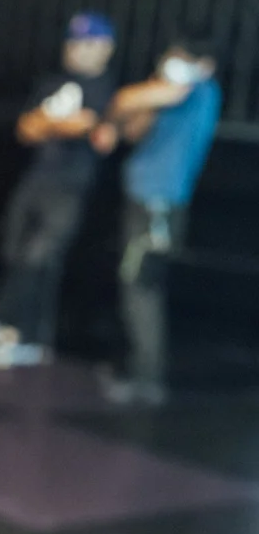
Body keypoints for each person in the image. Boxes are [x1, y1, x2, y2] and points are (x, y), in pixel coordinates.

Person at [0, 12, 118, 369]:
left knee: (40, 257)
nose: (76, 49)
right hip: (35, 179)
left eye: (86, 43)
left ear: (104, 47)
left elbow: (86, 123)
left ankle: (12, 327)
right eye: (73, 41)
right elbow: (26, 127)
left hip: (70, 186)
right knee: (14, 252)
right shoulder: (52, 83)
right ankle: (14, 330)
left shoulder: (106, 88)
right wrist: (58, 125)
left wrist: (53, 124)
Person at [90, 37, 222, 406]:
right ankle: (133, 364)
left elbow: (125, 100)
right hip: (141, 197)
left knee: (142, 287)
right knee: (132, 283)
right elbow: (133, 128)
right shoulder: (166, 94)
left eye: (181, 59)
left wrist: (137, 98)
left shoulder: (199, 91)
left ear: (204, 64)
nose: (172, 64)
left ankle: (148, 378)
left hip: (159, 204)